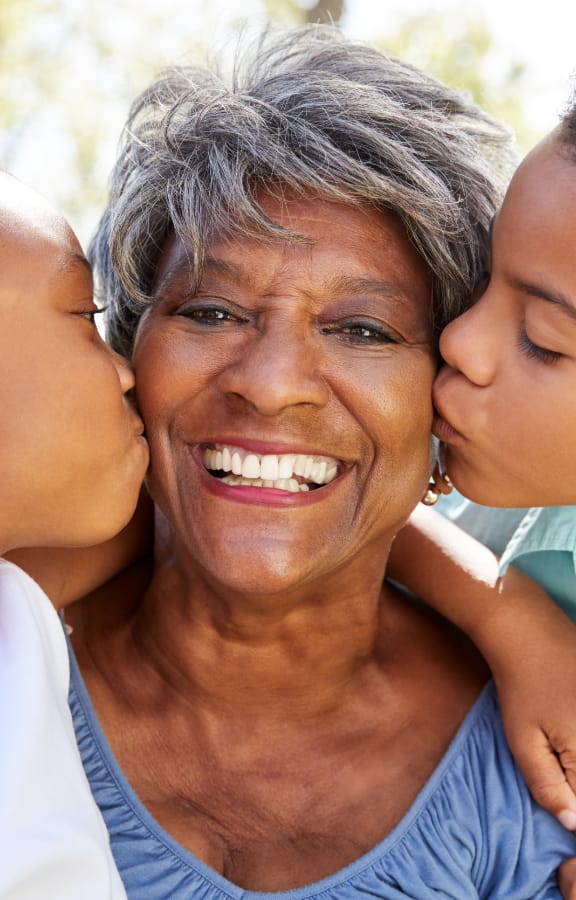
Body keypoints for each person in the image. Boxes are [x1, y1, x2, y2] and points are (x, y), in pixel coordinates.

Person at [59, 25, 576, 896]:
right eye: (212, 312)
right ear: (127, 354)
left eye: (363, 330)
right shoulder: (21, 660)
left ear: (440, 396)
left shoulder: (539, 780)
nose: (269, 388)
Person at [0, 170, 149, 898]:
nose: (126, 371)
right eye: (84, 317)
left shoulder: (14, 607)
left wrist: (496, 610)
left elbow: (196, 517)